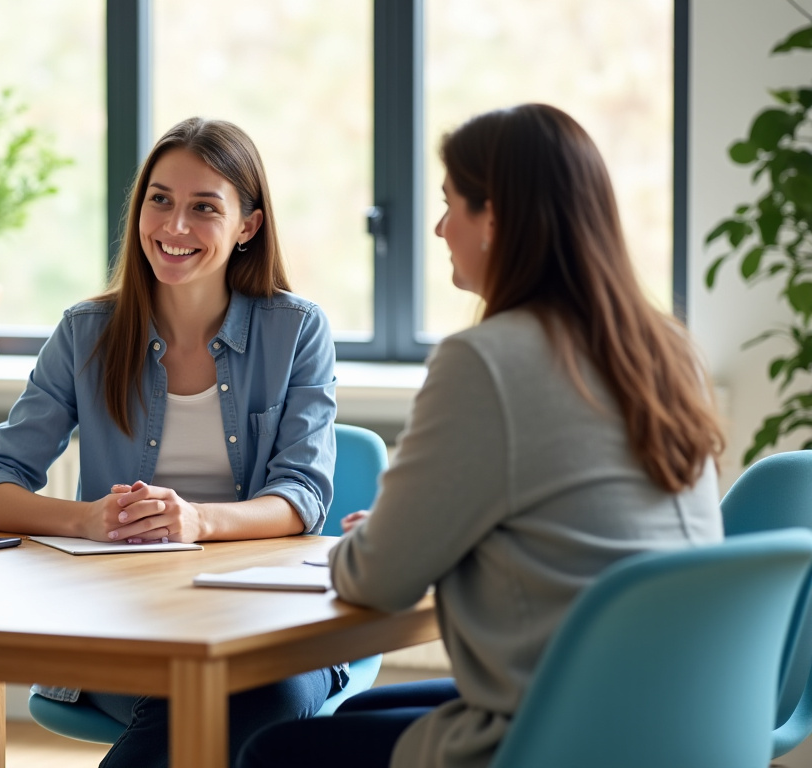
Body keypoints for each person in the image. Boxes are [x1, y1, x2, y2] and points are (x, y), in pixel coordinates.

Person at [236, 103, 726, 768]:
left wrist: (383, 544)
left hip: (561, 737)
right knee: (355, 715)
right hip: (676, 715)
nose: (440, 228)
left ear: (492, 219)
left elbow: (376, 581)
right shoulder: (665, 348)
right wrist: (427, 538)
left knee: (275, 753)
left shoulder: (485, 361)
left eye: (449, 204)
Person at [0, 117, 342, 767]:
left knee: (256, 694)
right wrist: (88, 519)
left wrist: (196, 521)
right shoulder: (87, 333)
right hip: (123, 622)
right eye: (159, 200)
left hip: (264, 624)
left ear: (248, 226)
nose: (174, 226)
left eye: (204, 208)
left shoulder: (297, 330)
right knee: (209, 706)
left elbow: (302, 496)